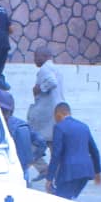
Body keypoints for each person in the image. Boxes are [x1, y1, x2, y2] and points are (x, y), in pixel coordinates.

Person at [46, 103, 101, 200]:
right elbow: (94, 151)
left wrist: (49, 178)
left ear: (58, 114)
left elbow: (56, 155)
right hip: (85, 172)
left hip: (69, 172)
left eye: (55, 117)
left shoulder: (59, 127)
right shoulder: (84, 126)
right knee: (70, 199)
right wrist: (98, 172)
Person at [26, 47, 64, 180]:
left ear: (44, 56)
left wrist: (39, 88)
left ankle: (44, 169)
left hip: (45, 116)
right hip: (56, 114)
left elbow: (51, 82)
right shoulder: (56, 69)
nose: (35, 60)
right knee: (54, 147)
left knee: (30, 143)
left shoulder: (45, 69)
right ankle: (57, 175)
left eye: (36, 56)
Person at [0, 89, 44, 185]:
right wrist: (32, 159)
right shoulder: (22, 124)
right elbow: (41, 142)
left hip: (5, 172)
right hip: (22, 170)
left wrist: (32, 159)